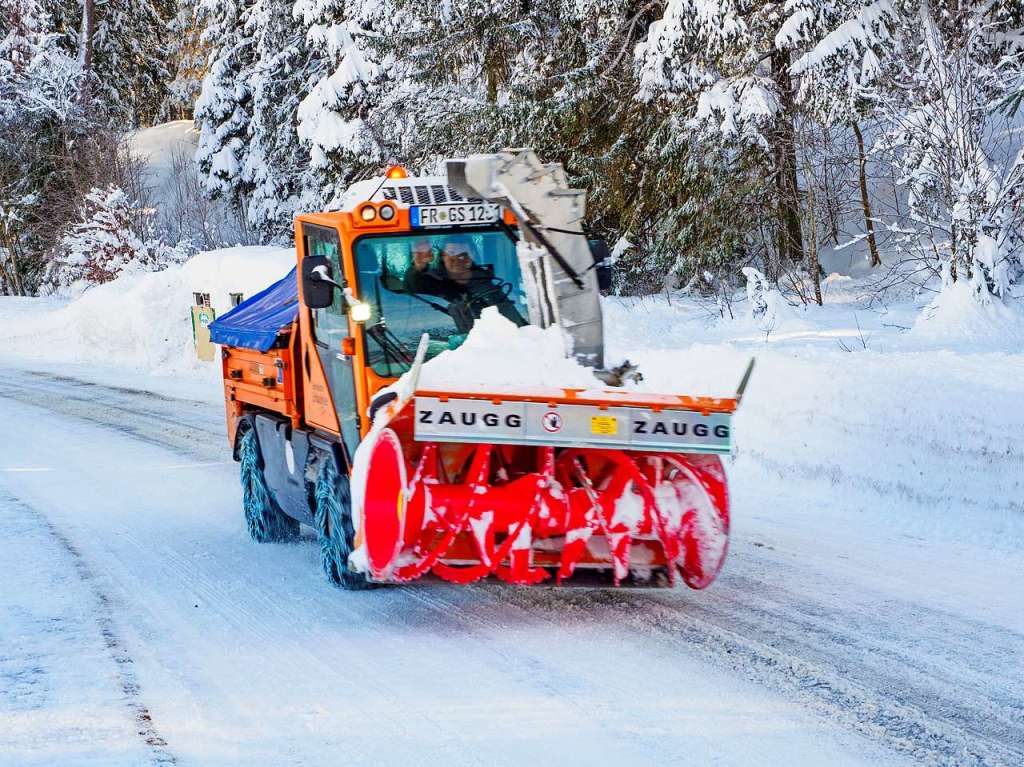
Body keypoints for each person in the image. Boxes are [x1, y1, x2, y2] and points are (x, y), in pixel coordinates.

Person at [402, 237, 525, 329]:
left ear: (472, 256)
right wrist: (417, 268)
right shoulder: (432, 282)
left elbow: (514, 322)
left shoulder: (488, 286)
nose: (457, 259)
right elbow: (412, 287)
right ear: (442, 257)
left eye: (463, 253)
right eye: (451, 253)